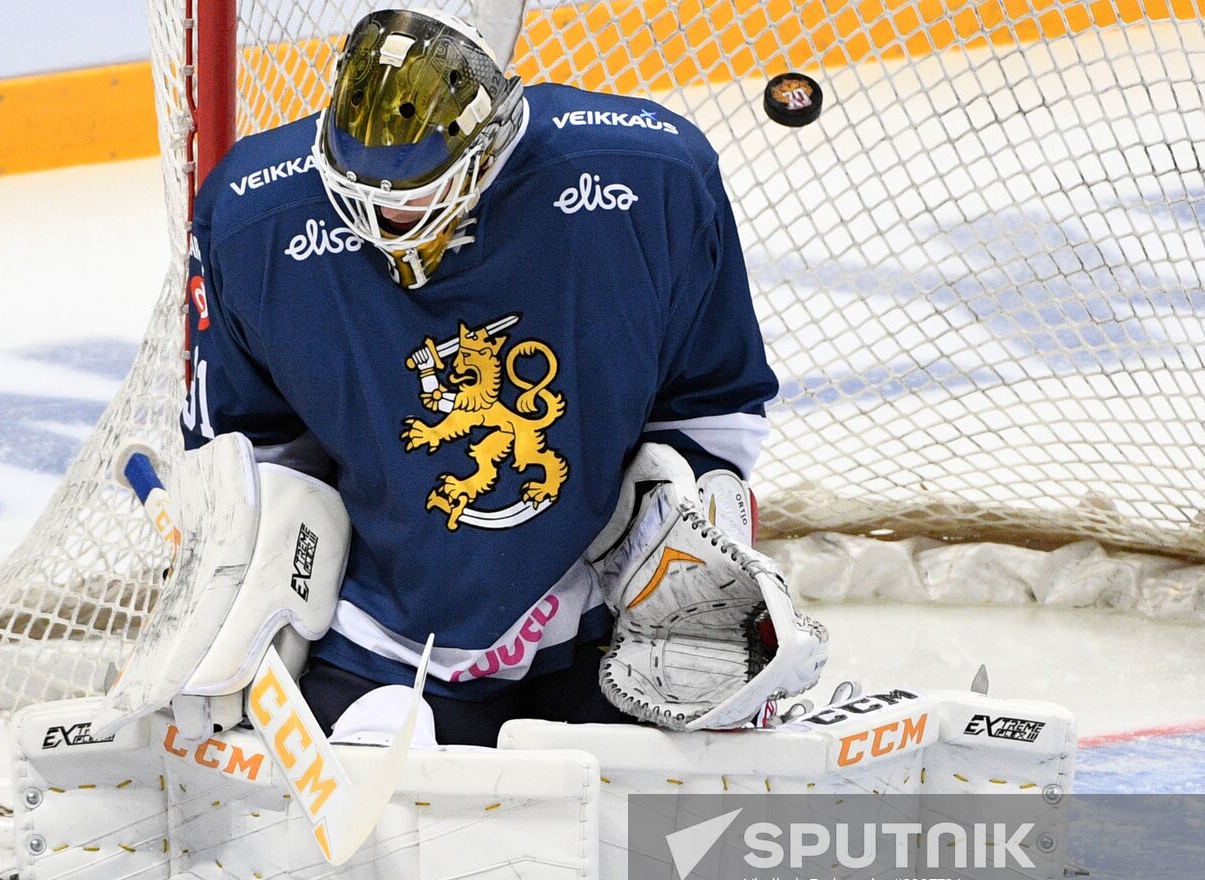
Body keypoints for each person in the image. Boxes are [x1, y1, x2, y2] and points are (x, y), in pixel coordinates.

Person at [180, 7, 793, 747]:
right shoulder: (253, 220)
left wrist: (691, 530)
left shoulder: (653, 176)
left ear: (494, 142)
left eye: (419, 198)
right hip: (382, 648)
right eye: (369, 199)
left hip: (608, 638)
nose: (393, 223)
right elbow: (249, 447)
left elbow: (712, 401)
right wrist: (248, 591)